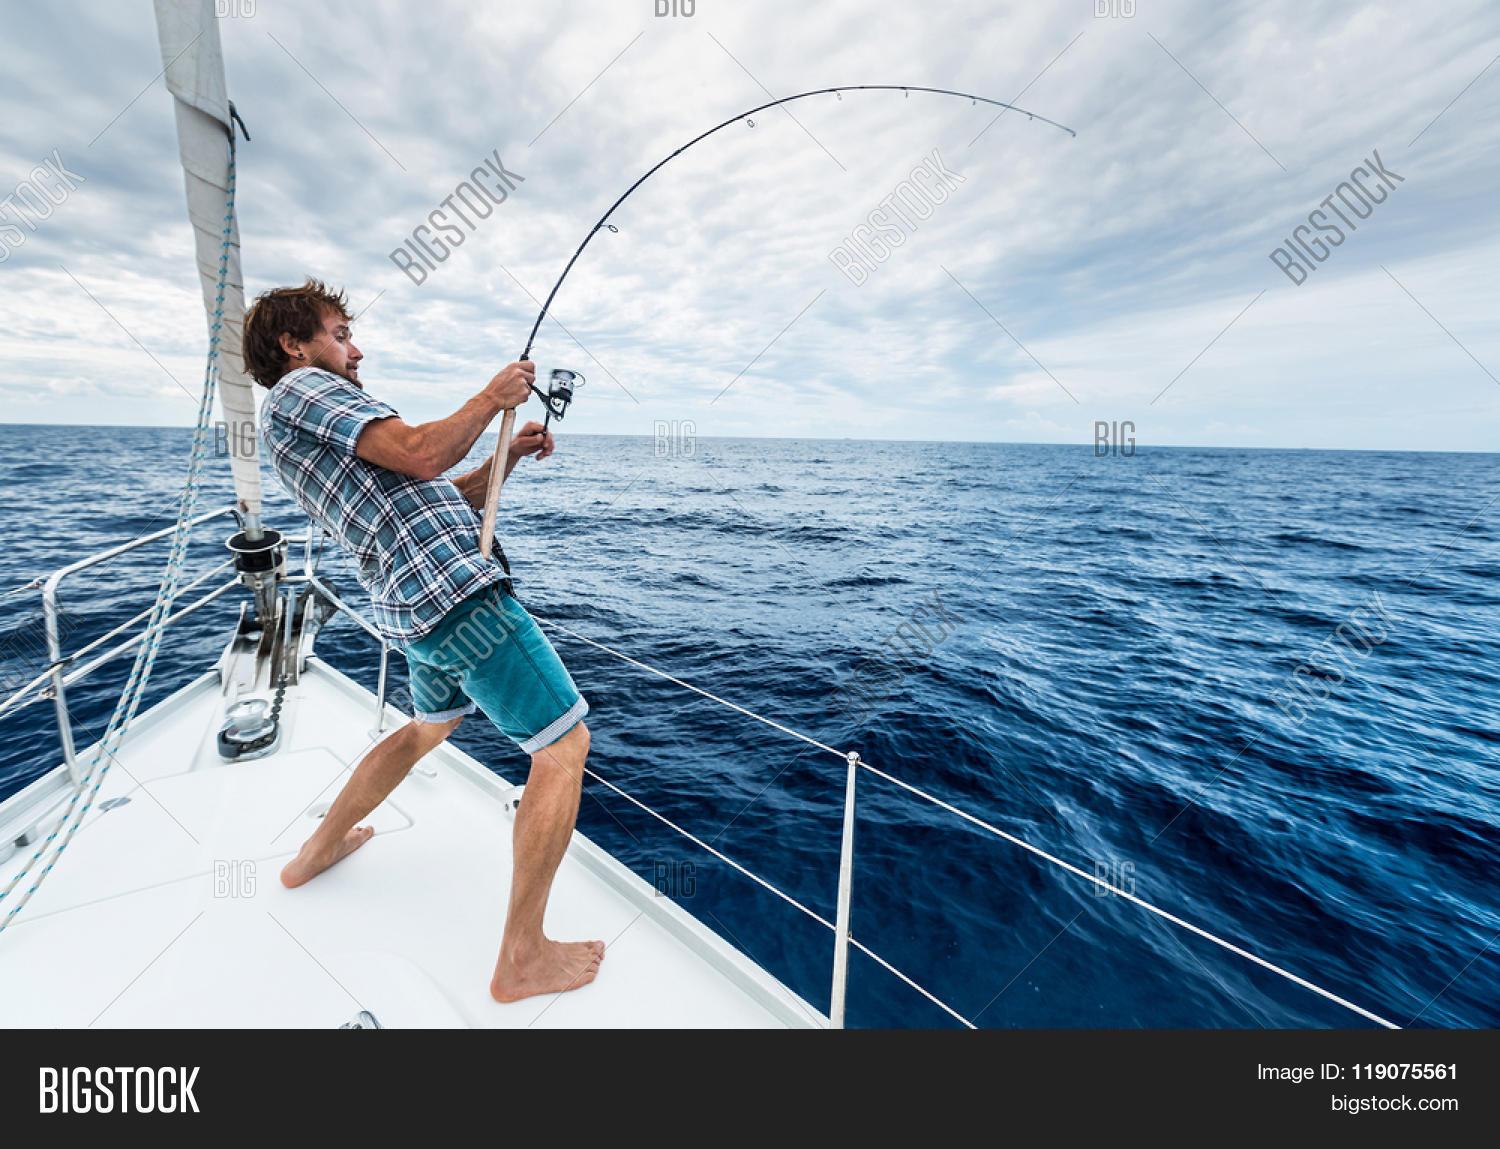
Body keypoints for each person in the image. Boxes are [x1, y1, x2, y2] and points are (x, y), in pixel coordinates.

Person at [242, 278, 602, 1002]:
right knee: (564, 746)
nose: (356, 350)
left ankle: (317, 851)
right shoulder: (303, 389)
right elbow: (420, 453)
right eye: (341, 334)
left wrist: (504, 457)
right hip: (455, 597)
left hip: (413, 608)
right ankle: (522, 956)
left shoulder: (296, 422)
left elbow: (435, 493)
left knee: (425, 729)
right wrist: (491, 397)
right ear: (293, 345)